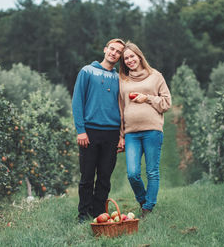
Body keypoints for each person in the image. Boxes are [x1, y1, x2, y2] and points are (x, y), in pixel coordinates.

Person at [72, 38, 125, 223]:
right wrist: (81, 130)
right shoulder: (87, 71)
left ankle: (99, 214)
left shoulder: (120, 78)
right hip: (90, 132)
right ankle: (83, 215)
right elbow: (77, 101)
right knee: (87, 176)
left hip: (111, 133)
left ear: (120, 57)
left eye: (118, 52)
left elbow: (122, 108)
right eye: (112, 49)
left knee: (104, 177)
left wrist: (121, 136)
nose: (114, 53)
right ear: (105, 50)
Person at [118, 41, 171, 217]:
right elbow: (120, 108)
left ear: (139, 56)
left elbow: (166, 102)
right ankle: (143, 200)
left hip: (152, 130)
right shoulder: (123, 80)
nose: (130, 60)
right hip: (131, 132)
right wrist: (121, 135)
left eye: (132, 56)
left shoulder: (156, 76)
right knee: (132, 173)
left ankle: (148, 208)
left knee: (152, 171)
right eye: (126, 58)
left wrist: (147, 98)